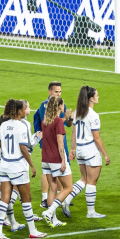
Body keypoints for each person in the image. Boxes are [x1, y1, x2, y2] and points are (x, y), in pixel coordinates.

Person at [0, 100, 45, 239]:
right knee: (26, 200)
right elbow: (23, 148)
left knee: (4, 200)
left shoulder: (3, 125)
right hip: (17, 167)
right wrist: (32, 165)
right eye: (22, 109)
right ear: (19, 111)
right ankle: (33, 231)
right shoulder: (21, 126)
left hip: (3, 167)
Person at [69, 86, 110, 218]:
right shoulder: (93, 115)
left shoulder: (77, 112)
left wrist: (73, 149)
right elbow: (96, 138)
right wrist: (105, 154)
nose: (98, 97)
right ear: (91, 99)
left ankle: (67, 200)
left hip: (80, 149)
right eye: (97, 95)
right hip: (90, 150)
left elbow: (73, 132)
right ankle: (91, 212)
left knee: (84, 179)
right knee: (92, 182)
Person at [40, 96, 75, 226]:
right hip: (56, 159)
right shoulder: (58, 122)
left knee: (53, 188)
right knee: (68, 188)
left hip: (45, 160)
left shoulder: (45, 121)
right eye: (63, 105)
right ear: (59, 106)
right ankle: (49, 212)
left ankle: (53, 220)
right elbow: (60, 143)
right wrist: (63, 161)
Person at [32, 81, 65, 209]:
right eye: (56, 91)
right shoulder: (44, 107)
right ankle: (48, 200)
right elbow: (53, 125)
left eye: (60, 92)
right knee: (65, 184)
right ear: (49, 92)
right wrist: (66, 117)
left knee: (54, 182)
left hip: (53, 147)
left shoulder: (60, 105)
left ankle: (57, 200)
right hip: (52, 147)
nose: (58, 94)